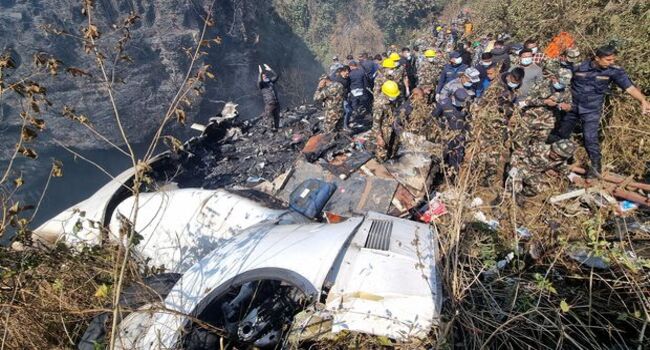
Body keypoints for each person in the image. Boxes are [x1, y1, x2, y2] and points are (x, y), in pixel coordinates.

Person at [556, 45, 650, 178]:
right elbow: (562, 80)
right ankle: (560, 162)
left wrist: (642, 100)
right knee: (562, 134)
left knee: (590, 138)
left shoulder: (614, 71)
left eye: (613, 60)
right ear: (597, 58)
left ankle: (595, 168)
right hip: (572, 107)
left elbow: (629, 88)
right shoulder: (578, 66)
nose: (611, 62)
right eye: (608, 60)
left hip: (591, 110)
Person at [433, 88, 471, 175]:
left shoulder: (467, 105)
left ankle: (454, 175)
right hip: (446, 136)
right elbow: (433, 117)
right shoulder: (443, 104)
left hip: (460, 137)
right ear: (453, 97)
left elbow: (469, 119)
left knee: (457, 159)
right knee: (441, 158)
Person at [371, 80, 401, 162]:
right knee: (382, 149)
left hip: (389, 126)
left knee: (390, 145)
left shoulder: (388, 100)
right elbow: (376, 122)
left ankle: (389, 158)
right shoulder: (380, 104)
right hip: (382, 130)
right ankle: (380, 163)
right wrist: (379, 137)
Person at [257, 64, 280, 131]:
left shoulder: (270, 81)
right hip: (269, 105)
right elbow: (259, 81)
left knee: (277, 118)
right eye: (263, 76)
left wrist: (270, 69)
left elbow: (276, 75)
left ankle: (276, 130)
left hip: (276, 103)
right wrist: (260, 73)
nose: (265, 76)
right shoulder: (262, 85)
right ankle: (269, 131)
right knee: (269, 118)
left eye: (265, 75)